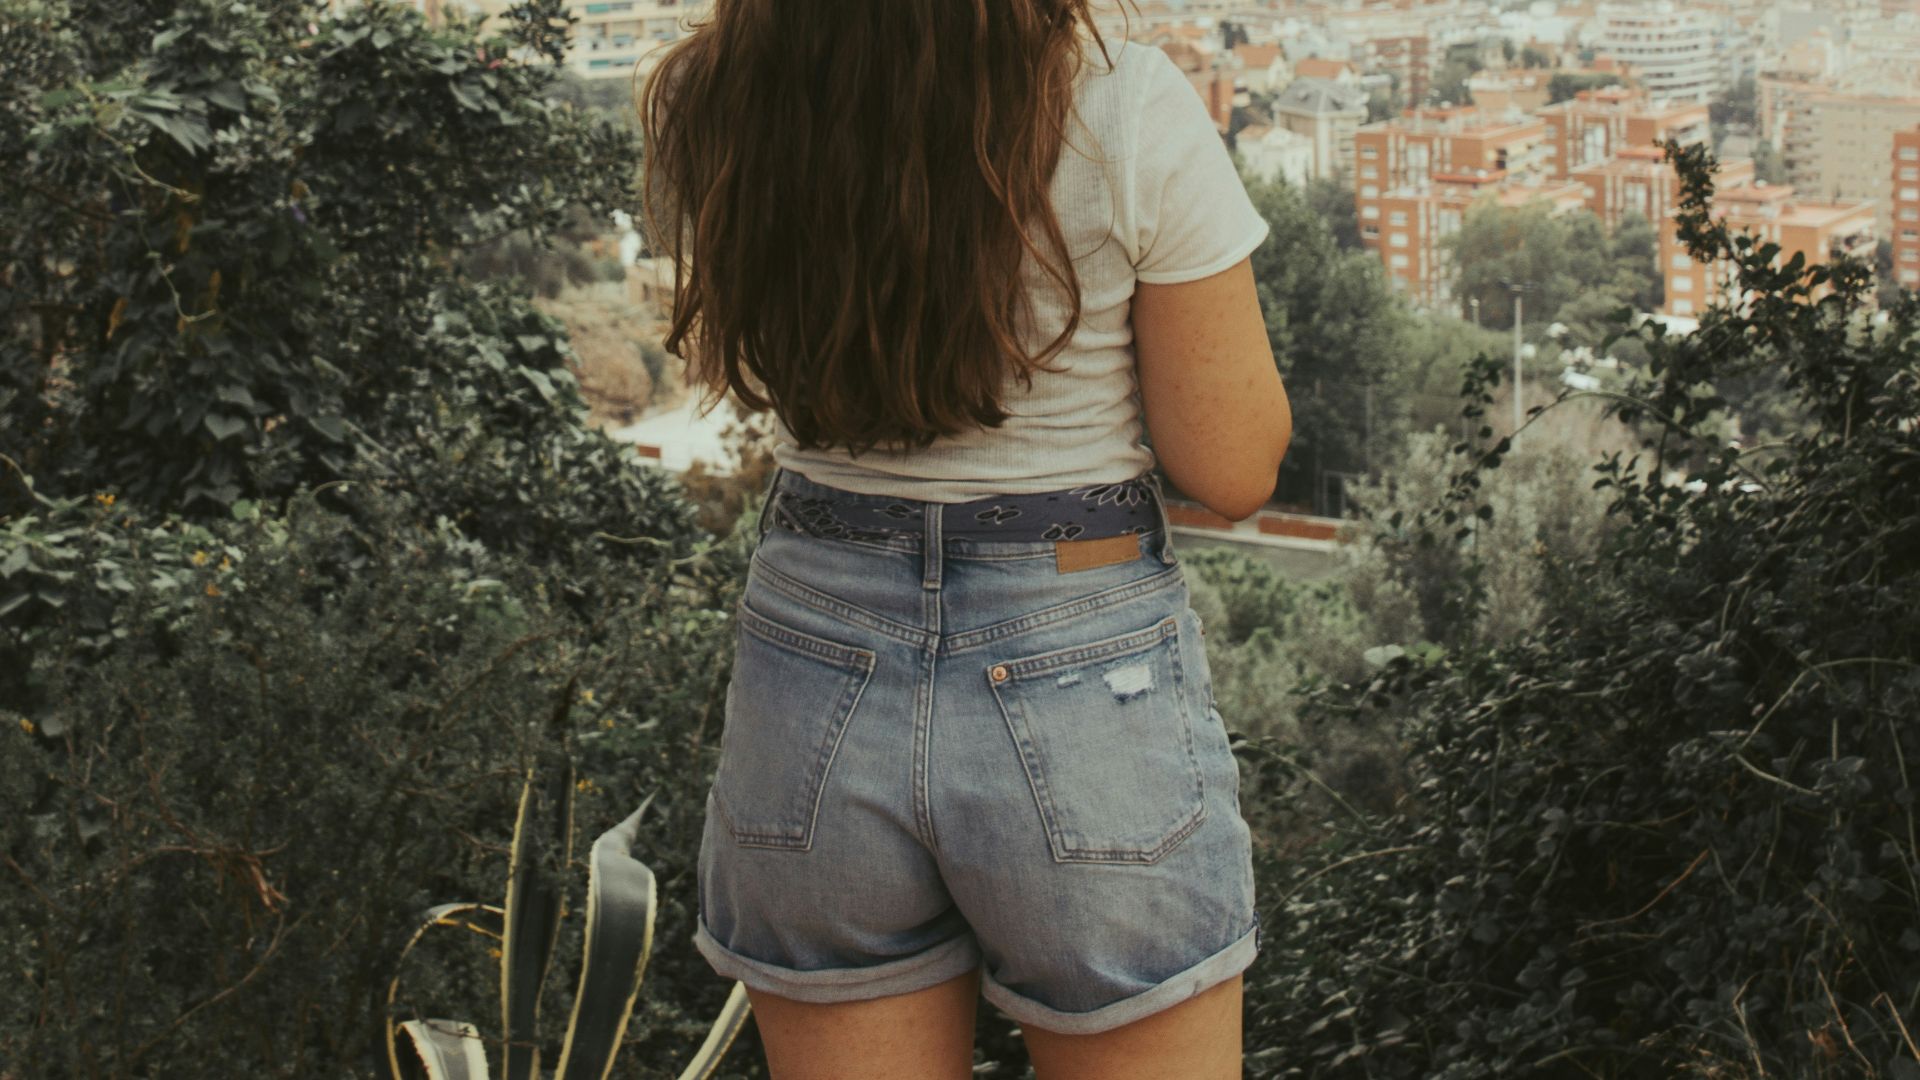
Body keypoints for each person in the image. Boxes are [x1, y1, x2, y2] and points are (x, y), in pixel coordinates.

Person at [637, 2, 1290, 1076]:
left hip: (811, 658)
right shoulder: (1123, 100)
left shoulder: (718, 93)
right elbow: (1233, 464)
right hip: (1079, 649)